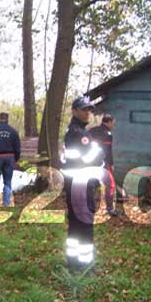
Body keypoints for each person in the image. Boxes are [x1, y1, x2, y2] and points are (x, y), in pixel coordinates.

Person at [60, 96, 105, 272]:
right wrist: (99, 151)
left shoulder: (73, 130)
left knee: (75, 222)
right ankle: (85, 264)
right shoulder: (79, 134)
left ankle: (73, 261)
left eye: (89, 109)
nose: (88, 113)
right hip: (81, 183)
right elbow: (90, 158)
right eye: (84, 109)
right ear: (75, 111)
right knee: (84, 223)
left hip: (74, 183)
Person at [89, 114, 117, 215]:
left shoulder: (91, 130)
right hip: (103, 163)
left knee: (90, 184)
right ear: (108, 122)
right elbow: (107, 151)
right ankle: (109, 209)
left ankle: (88, 207)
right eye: (113, 124)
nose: (113, 126)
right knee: (110, 185)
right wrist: (111, 164)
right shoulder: (107, 134)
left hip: (90, 162)